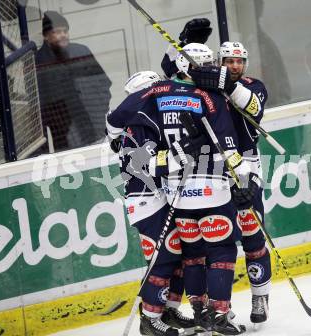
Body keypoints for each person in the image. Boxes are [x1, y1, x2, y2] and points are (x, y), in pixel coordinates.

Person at [161, 23, 271, 326]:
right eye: (227, 61)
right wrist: (183, 44)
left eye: (239, 61)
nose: (235, 66)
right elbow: (170, 70)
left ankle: (260, 294)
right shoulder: (200, 89)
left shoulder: (252, 85)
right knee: (213, 240)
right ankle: (215, 306)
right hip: (213, 171)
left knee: (251, 234)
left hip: (245, 164)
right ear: (216, 63)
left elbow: (253, 107)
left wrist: (225, 83)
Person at [106, 71, 195, 336]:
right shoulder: (138, 123)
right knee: (164, 257)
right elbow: (143, 163)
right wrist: (182, 155)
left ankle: (168, 310)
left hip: (159, 194)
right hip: (145, 199)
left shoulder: (150, 118)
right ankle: (150, 318)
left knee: (179, 254)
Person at [36, 10, 111, 151]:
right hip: (64, 137)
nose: (63, 35)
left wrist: (100, 111)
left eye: (65, 31)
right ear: (46, 35)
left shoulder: (81, 51)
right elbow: (40, 105)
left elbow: (104, 83)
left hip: (95, 125)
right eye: (57, 31)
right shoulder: (38, 62)